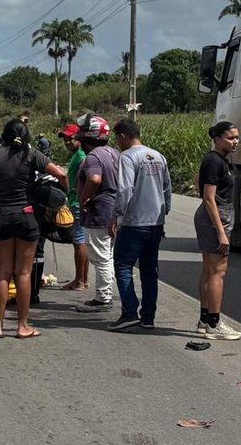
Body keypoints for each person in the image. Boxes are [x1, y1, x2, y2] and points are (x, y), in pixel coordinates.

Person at [0, 118, 67, 339]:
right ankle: (22, 326)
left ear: (4, 135)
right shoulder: (32, 154)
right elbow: (62, 174)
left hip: (1, 215)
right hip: (27, 215)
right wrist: (64, 195)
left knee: (3, 273)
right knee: (24, 272)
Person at [108, 118, 172, 331]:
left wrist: (117, 215)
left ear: (123, 136)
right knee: (149, 270)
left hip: (135, 221)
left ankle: (129, 312)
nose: (117, 143)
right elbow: (166, 189)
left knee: (123, 265)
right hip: (155, 222)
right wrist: (164, 212)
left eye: (117, 139)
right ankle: (148, 317)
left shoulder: (127, 157)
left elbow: (125, 189)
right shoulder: (157, 156)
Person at [195, 121, 241, 341]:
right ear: (217, 139)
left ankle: (204, 321)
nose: (235, 142)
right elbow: (209, 198)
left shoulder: (215, 160)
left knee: (208, 269)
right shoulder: (215, 161)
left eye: (236, 137)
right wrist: (221, 232)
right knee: (218, 271)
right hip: (216, 217)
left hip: (211, 216)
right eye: (231, 138)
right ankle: (214, 323)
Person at [73, 115, 119, 313]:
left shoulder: (93, 157)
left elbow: (94, 179)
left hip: (100, 212)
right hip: (113, 211)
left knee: (100, 257)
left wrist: (82, 198)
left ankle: (103, 297)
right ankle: (106, 293)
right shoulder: (113, 153)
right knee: (107, 256)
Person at [57, 124, 89, 292]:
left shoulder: (82, 155)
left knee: (78, 242)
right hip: (76, 201)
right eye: (65, 139)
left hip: (77, 203)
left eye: (71, 138)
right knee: (81, 241)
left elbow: (84, 175)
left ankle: (79, 281)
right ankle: (83, 278)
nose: (68, 142)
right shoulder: (77, 154)